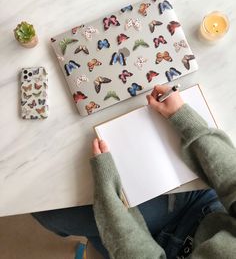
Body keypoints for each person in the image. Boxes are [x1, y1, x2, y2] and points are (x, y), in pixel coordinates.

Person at [33, 85, 236, 258]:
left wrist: (108, 192)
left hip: (162, 247)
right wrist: (183, 117)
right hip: (206, 204)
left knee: (49, 213)